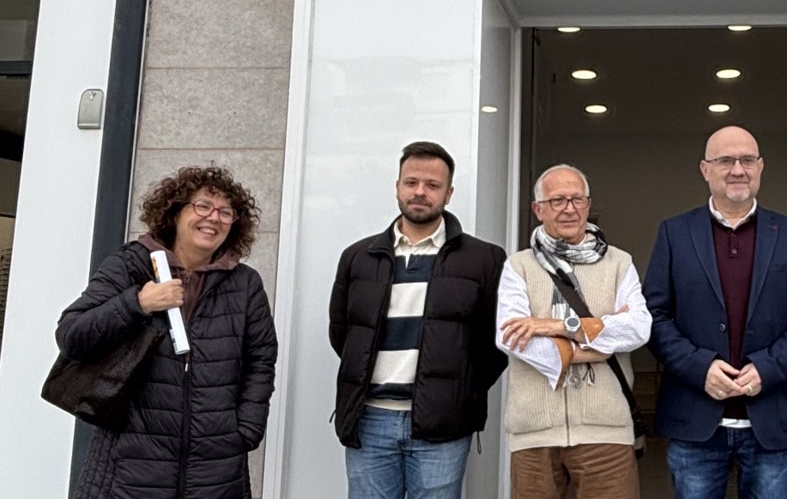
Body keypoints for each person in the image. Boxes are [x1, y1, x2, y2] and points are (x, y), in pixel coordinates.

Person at [56, 166, 278, 499]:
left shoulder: (244, 283)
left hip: (216, 467)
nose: (214, 218)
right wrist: (138, 302)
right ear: (175, 212)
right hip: (132, 459)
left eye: (226, 212)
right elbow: (72, 335)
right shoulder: (130, 266)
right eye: (202, 206)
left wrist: (245, 429)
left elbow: (261, 358)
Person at [645, 125, 787, 499]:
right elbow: (654, 315)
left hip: (773, 419)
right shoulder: (674, 233)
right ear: (704, 169)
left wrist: (769, 366)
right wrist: (700, 368)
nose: (737, 169)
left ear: (761, 167)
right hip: (695, 420)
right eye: (725, 160)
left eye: (747, 160)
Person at [329, 141, 507, 499]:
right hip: (370, 421)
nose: (420, 192)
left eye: (432, 185)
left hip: (442, 425)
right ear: (397, 187)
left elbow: (496, 346)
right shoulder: (358, 257)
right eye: (411, 182)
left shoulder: (484, 259)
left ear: (449, 193)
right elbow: (342, 336)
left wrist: (458, 394)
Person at [497, 163, 651, 499]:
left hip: (607, 430)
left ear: (588, 204)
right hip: (534, 433)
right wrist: (600, 343)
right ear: (537, 210)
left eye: (577, 199)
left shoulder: (619, 262)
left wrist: (556, 326)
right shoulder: (517, 266)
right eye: (557, 201)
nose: (569, 209)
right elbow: (511, 338)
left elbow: (638, 330)